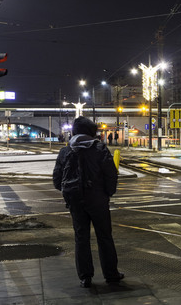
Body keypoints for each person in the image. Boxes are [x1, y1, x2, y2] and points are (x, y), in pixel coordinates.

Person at [53, 116, 124, 288]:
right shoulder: (99, 148)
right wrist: (107, 193)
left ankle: (85, 277)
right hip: (98, 199)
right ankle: (111, 275)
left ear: (74, 132)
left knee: (81, 237)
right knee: (104, 236)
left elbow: (57, 179)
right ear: (91, 132)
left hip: (76, 200)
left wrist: (68, 192)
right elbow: (111, 174)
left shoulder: (66, 151)